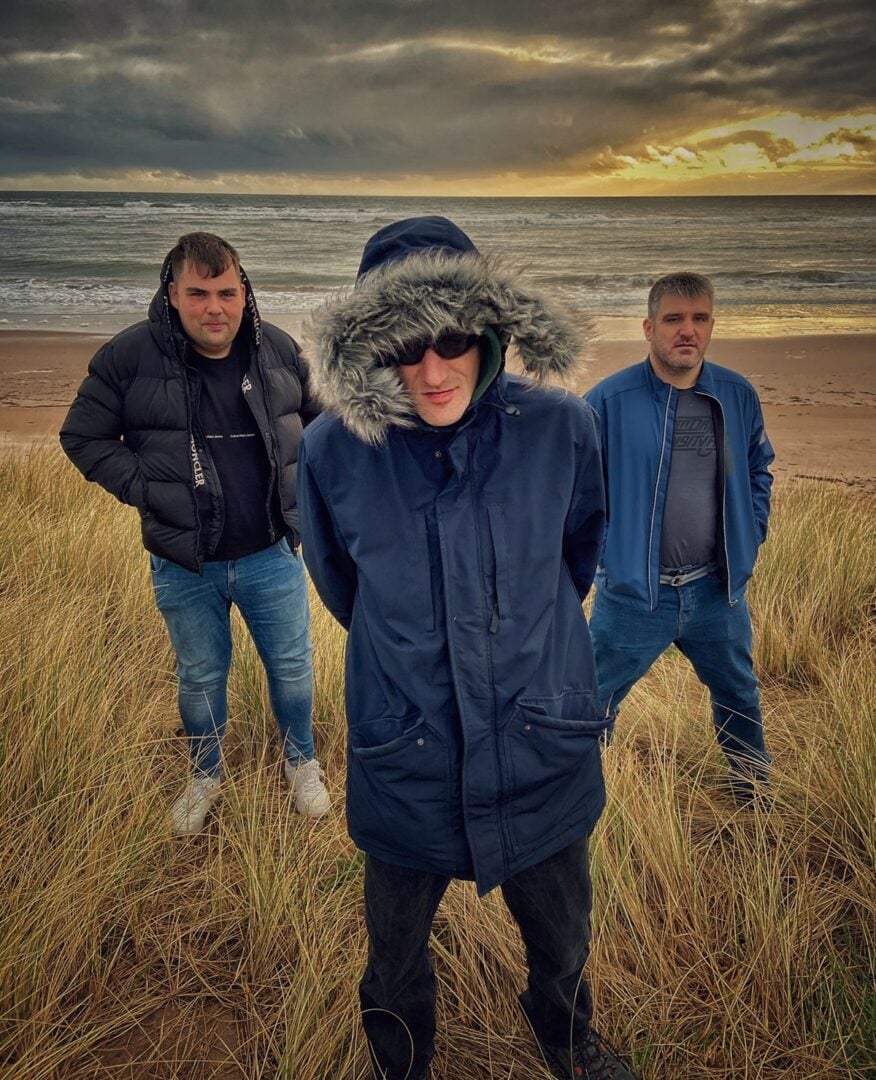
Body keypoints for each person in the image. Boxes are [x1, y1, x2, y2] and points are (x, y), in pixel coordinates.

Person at [298, 216, 639, 1080]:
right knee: (394, 955)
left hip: (540, 741)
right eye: (404, 346)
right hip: (404, 747)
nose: (432, 369)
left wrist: (519, 636)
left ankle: (567, 1041)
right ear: (370, 348)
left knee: (563, 936)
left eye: (450, 339)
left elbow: (577, 555)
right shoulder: (332, 449)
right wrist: (414, 645)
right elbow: (341, 585)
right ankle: (402, 1061)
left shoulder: (561, 426)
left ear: (487, 329)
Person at [60, 232, 330, 834]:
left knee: (291, 668)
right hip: (185, 561)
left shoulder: (278, 350)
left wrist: (304, 497)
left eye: (226, 293)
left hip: (270, 553)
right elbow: (82, 437)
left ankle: (301, 762)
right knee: (201, 676)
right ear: (172, 294)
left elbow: (321, 426)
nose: (215, 308)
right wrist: (150, 489)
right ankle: (205, 774)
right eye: (199, 294)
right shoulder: (129, 356)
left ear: (244, 292)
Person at [585, 272, 774, 803]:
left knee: (739, 695)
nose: (687, 330)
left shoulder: (736, 394)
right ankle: (581, 804)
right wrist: (608, 559)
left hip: (716, 592)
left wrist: (752, 532)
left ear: (711, 325)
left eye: (699, 318)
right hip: (634, 596)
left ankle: (754, 795)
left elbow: (758, 468)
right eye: (673, 319)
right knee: (594, 702)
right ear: (649, 328)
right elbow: (576, 490)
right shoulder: (608, 400)